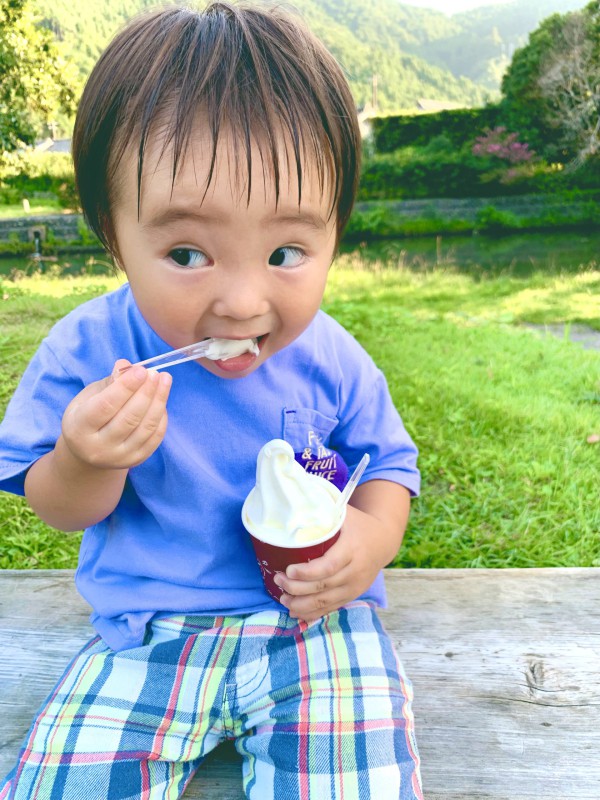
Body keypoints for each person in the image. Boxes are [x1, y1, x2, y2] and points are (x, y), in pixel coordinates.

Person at [0, 3, 423, 798]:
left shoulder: (331, 355)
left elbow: (389, 465)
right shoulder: (88, 354)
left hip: (316, 629)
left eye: (286, 251)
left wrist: (368, 542)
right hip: (145, 633)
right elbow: (57, 506)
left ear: (337, 234)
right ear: (112, 232)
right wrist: (85, 458)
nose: (241, 300)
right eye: (187, 252)